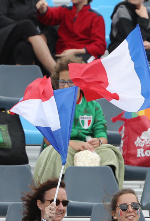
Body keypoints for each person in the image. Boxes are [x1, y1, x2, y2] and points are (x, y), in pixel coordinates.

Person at [33, 55, 125, 187]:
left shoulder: (93, 106)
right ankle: (58, 196)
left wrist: (98, 142)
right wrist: (74, 144)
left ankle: (109, 195)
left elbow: (102, 136)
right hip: (63, 148)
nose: (66, 86)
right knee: (57, 154)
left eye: (71, 82)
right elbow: (49, 139)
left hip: (88, 149)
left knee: (111, 153)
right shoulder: (51, 104)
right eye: (62, 82)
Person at [36, 0, 106, 61]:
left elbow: (99, 46)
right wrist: (43, 9)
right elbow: (49, 16)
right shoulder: (64, 11)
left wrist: (76, 51)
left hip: (83, 57)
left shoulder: (96, 18)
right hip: (60, 56)